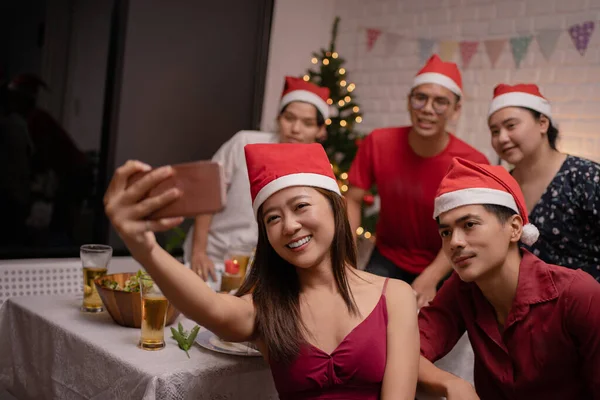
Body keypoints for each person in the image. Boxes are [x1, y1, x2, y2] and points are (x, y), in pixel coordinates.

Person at [104, 143, 420, 399]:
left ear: (335, 208)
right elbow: (211, 306)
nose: (290, 226)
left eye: (300, 206)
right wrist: (145, 248)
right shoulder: (269, 308)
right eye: (272, 218)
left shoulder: (395, 296)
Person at [417, 157, 600, 399]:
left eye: (470, 224)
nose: (454, 242)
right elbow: (404, 350)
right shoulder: (462, 288)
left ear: (515, 228)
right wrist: (450, 383)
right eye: (446, 232)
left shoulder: (577, 294)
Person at [346, 54, 489, 308]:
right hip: (387, 256)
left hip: (448, 261)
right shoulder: (378, 142)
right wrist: (345, 254)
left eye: (440, 102)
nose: (428, 109)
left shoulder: (472, 161)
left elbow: (470, 229)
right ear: (409, 102)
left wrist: (432, 276)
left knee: (433, 337)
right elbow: (353, 198)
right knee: (366, 318)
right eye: (420, 98)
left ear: (456, 110)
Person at [183, 76, 330, 290]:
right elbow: (208, 190)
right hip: (210, 256)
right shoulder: (245, 142)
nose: (296, 129)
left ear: (320, 130)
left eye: (307, 123)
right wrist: (199, 251)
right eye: (289, 118)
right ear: (279, 118)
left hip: (259, 272)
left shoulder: (314, 173)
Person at [488, 83, 600, 281]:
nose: (502, 138)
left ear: (543, 123)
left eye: (511, 126)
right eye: (495, 131)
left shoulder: (586, 177)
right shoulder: (500, 188)